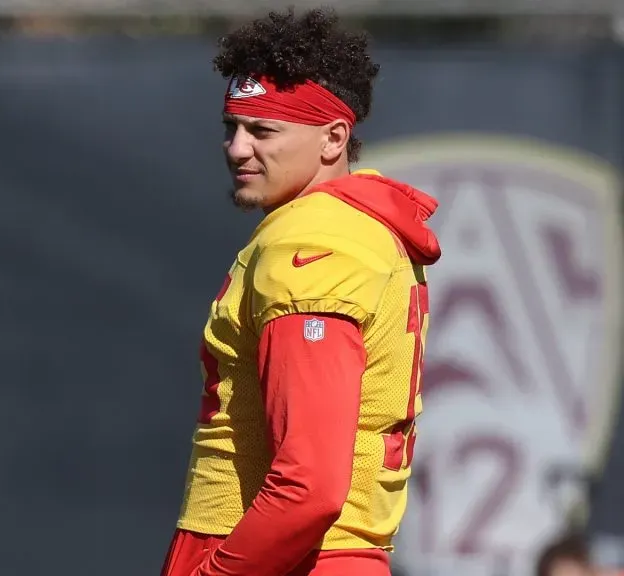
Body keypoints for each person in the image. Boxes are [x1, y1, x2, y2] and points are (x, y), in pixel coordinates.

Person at [160, 8, 442, 576]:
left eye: (263, 131)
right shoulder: (355, 226)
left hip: (286, 560)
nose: (237, 149)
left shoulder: (315, 242)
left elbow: (310, 485)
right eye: (231, 127)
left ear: (334, 137)